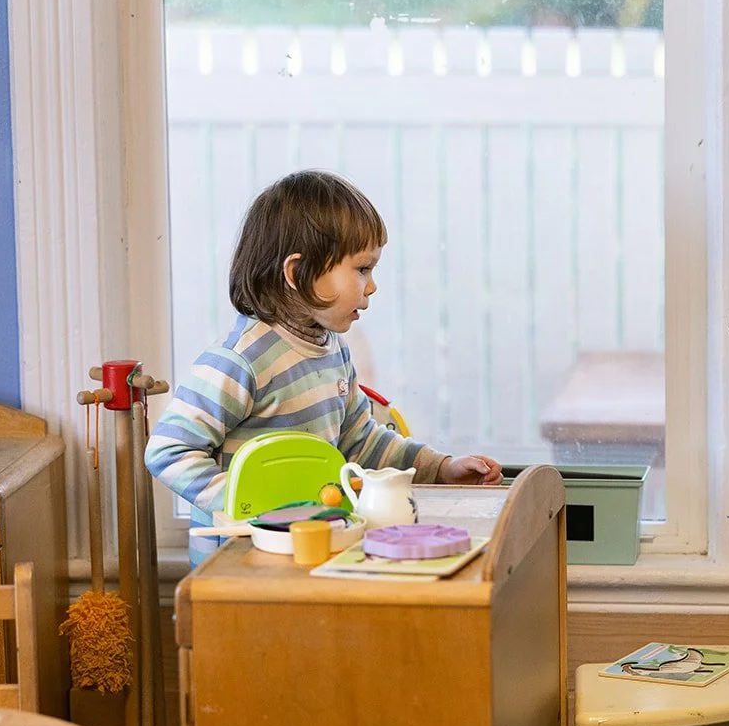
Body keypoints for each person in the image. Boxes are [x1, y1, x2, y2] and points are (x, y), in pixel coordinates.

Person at [146, 169, 503, 565]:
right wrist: (250, 506)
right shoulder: (238, 361)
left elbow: (360, 442)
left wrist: (441, 468)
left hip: (310, 543)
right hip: (240, 559)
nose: (372, 286)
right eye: (362, 269)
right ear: (297, 273)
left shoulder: (334, 351)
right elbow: (168, 451)